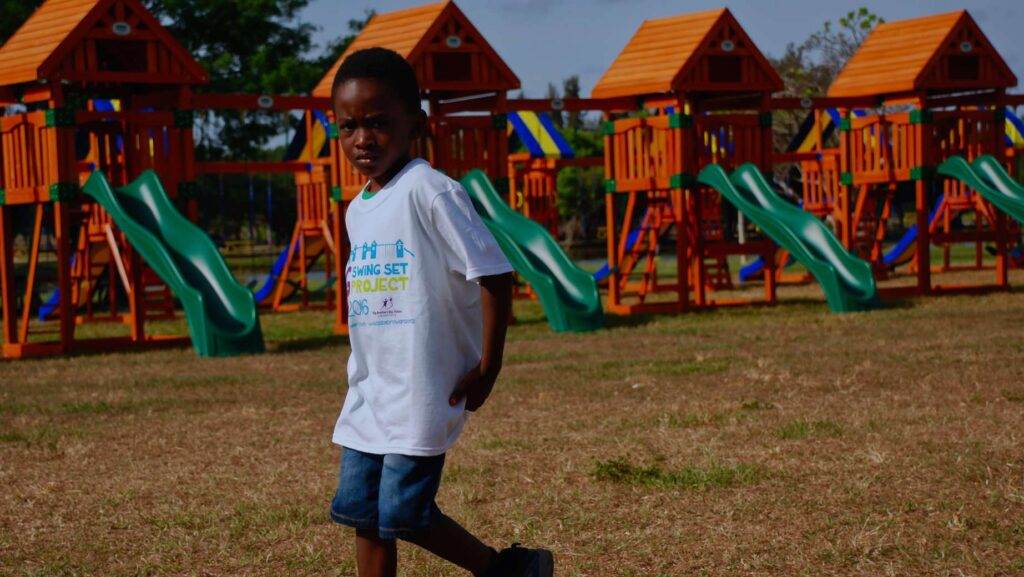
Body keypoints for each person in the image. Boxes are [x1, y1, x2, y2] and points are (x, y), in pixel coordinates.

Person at [328, 46, 554, 577]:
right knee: (364, 514)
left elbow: (495, 275)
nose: (363, 139)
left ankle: (505, 570)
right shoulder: (357, 210)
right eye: (348, 127)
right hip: (368, 392)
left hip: (422, 389)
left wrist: (489, 365)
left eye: (379, 123)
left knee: (404, 512)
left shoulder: (431, 192)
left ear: (417, 125)